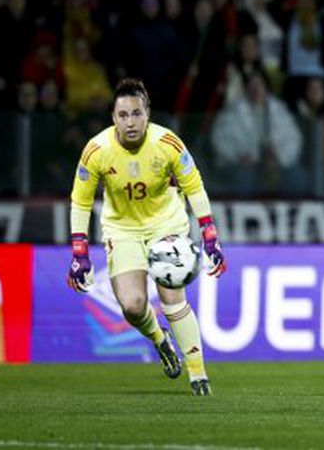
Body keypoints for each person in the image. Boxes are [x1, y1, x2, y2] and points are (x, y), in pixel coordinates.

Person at [67, 78, 226, 396]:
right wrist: (79, 251)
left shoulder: (168, 144)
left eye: (136, 113)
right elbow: (81, 200)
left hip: (166, 227)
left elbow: (194, 186)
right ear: (113, 117)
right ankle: (159, 339)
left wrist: (209, 234)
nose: (130, 122)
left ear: (147, 114)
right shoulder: (97, 151)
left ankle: (198, 375)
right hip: (122, 230)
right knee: (132, 305)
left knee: (172, 298)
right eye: (123, 115)